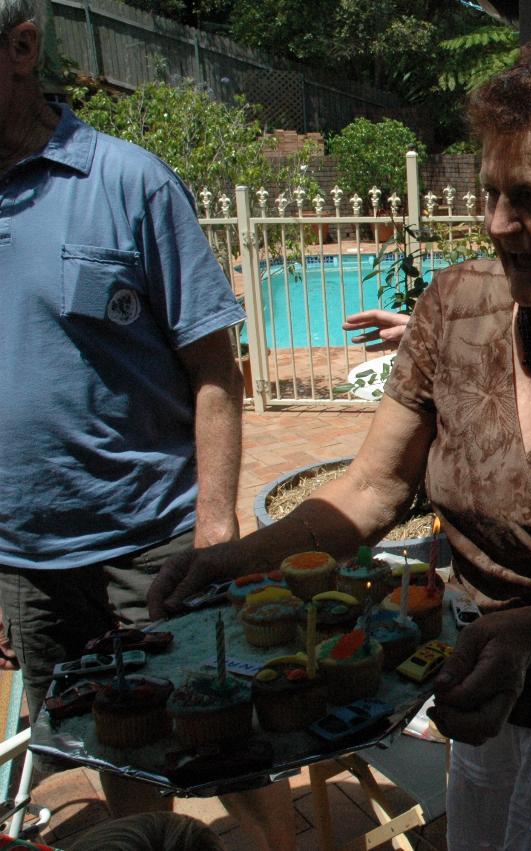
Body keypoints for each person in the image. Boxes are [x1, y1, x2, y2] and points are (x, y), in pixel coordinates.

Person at [150, 34, 531, 850]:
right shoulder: (456, 308)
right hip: (488, 711)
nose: (502, 224)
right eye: (492, 192)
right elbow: (368, 492)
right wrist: (230, 559)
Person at [0, 3, 294, 847]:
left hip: (151, 546)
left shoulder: (129, 183)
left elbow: (214, 368)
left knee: (225, 740)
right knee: (108, 750)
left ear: (21, 48)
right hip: (29, 563)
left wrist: (214, 524)